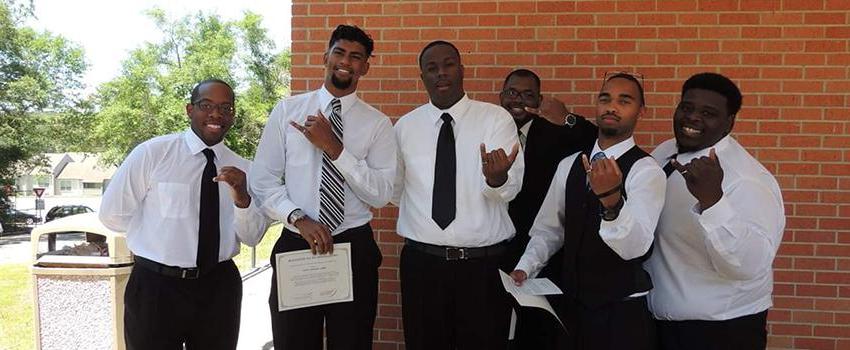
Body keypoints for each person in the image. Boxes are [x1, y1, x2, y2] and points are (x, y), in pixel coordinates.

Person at [250, 24, 395, 350]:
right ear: (325, 57)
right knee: (294, 342)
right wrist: (298, 218)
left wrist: (335, 148)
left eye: (357, 57)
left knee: (352, 342)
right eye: (340, 52)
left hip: (353, 247)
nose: (346, 61)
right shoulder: (287, 112)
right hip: (297, 241)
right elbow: (262, 181)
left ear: (366, 67)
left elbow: (382, 194)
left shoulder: (378, 124)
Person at [99, 79, 269, 350]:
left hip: (218, 287)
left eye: (226, 108)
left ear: (233, 115)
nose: (216, 114)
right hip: (156, 287)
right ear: (190, 110)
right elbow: (112, 215)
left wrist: (242, 197)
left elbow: (252, 237)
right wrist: (156, 238)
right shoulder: (153, 154)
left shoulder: (243, 168)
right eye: (207, 105)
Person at [510, 72, 665, 350]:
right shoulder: (570, 164)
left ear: (640, 111)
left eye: (624, 100)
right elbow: (550, 230)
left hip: (621, 313)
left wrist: (611, 201)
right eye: (605, 98)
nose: (612, 107)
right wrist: (526, 267)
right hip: (573, 308)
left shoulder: (646, 170)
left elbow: (636, 247)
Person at [393, 40, 524, 350]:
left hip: (481, 269)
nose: (441, 73)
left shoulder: (495, 119)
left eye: (449, 64)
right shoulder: (405, 127)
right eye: (432, 68)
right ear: (422, 76)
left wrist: (496, 179)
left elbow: (511, 188)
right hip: (422, 266)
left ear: (462, 70)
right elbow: (397, 192)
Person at [645, 72, 785, 350]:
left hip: (720, 331)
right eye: (687, 107)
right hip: (661, 327)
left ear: (729, 123)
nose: (693, 117)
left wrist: (714, 202)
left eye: (708, 113)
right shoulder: (664, 153)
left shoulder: (745, 179)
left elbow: (750, 266)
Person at [499, 68, 597, 349]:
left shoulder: (557, 132)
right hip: (491, 248)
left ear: (539, 99)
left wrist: (566, 119)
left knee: (536, 330)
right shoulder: (488, 128)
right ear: (501, 96)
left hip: (540, 248)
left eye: (528, 94)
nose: (518, 100)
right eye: (512, 92)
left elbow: (595, 142)